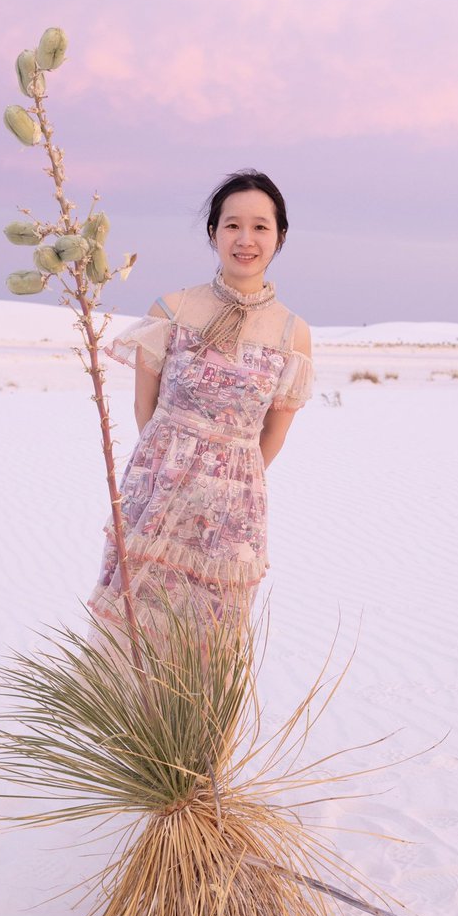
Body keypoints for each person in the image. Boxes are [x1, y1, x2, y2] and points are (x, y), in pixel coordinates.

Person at [87, 169, 313, 636]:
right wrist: (172, 469)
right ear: (213, 233)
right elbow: (144, 410)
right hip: (157, 487)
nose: (245, 239)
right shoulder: (171, 310)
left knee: (211, 636)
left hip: (235, 507)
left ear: (280, 237)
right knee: (135, 621)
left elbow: (275, 432)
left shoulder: (293, 334)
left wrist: (227, 480)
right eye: (232, 225)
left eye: (260, 226)